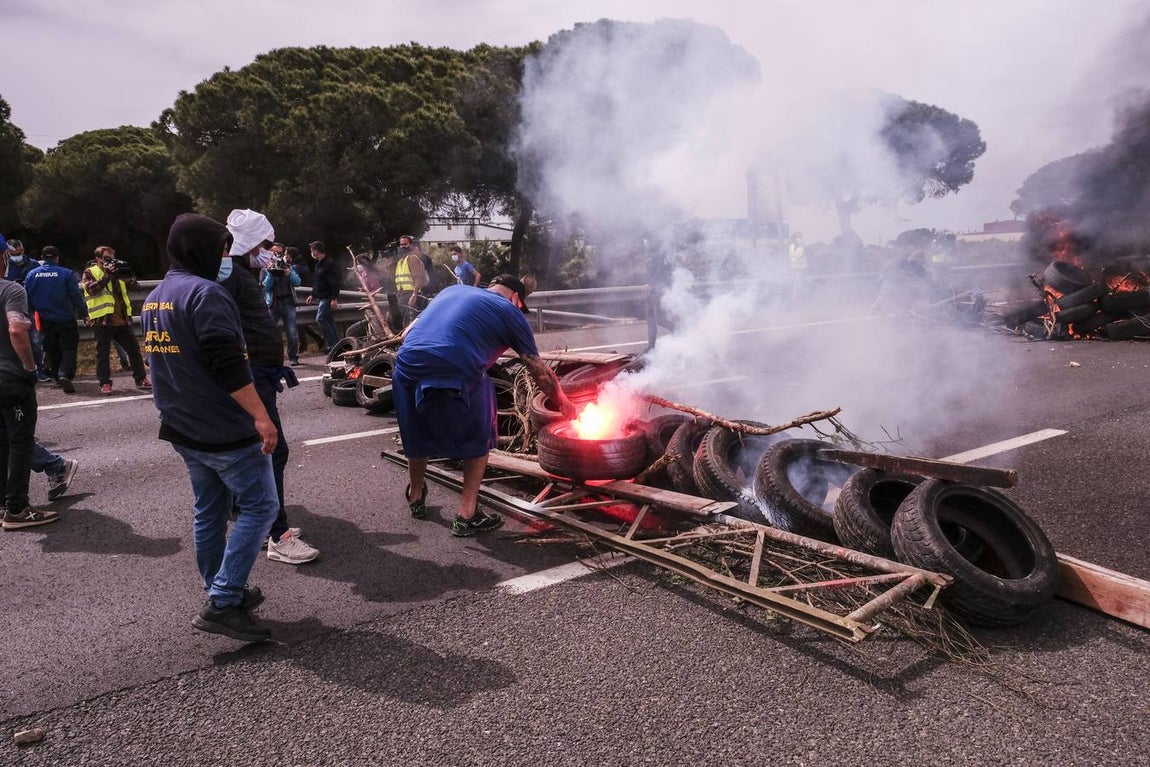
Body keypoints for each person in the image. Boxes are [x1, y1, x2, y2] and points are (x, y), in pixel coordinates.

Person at [142, 212, 279, 642]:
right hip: (222, 428)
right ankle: (223, 601)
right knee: (261, 507)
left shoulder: (156, 296)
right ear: (200, 249)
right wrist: (261, 416)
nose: (226, 258)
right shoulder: (207, 294)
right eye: (222, 249)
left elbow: (158, 364)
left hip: (183, 426)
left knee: (211, 511)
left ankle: (220, 588)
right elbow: (228, 363)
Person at [393, 274, 577, 536]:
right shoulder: (509, 311)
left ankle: (415, 494)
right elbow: (540, 373)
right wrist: (565, 405)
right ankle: (467, 515)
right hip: (455, 370)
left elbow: (407, 333)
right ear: (516, 298)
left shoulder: (451, 291)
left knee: (417, 431)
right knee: (481, 426)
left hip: (407, 366)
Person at [225, 209, 318, 565]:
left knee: (253, 450)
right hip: (252, 375)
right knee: (272, 450)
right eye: (265, 245)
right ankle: (277, 534)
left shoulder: (241, 272)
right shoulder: (233, 276)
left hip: (258, 373)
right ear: (251, 242)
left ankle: (254, 513)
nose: (268, 252)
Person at [0, 233, 57, 530]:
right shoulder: (11, 289)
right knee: (20, 443)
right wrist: (31, 367)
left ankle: (3, 504)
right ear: (3, 257)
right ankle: (17, 509)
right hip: (10, 379)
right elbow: (17, 330)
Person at [82, 245, 150, 395]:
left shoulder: (118, 271)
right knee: (102, 354)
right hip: (102, 320)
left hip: (122, 320)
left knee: (134, 350)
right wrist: (107, 276)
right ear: (98, 259)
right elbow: (91, 289)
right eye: (107, 258)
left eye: (112, 258)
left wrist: (126, 275)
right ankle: (105, 383)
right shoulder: (90, 272)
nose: (111, 261)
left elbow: (136, 287)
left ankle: (141, 378)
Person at [24, 246, 88, 393]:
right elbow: (76, 295)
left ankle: (57, 377)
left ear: (42, 258)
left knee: (52, 349)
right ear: (57, 258)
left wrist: (31, 313)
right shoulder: (66, 273)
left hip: (44, 319)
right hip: (66, 318)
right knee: (69, 348)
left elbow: (26, 297)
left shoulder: (32, 275)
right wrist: (84, 313)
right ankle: (65, 374)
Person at [4, 239, 49, 382]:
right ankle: (17, 370)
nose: (16, 256)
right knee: (10, 339)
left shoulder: (33, 264)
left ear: (23, 250)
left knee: (36, 341)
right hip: (9, 306)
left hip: (30, 306)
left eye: (19, 253)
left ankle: (38, 370)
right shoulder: (4, 265)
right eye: (13, 254)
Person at [262, 244, 302, 367]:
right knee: (270, 333)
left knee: (292, 333)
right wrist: (271, 274)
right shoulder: (265, 268)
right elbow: (265, 287)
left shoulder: (288, 266)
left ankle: (293, 357)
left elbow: (297, 283)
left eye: (280, 253)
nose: (277, 255)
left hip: (288, 303)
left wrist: (289, 274)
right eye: (275, 253)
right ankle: (272, 358)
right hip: (273, 304)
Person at [306, 241, 341, 351]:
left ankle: (333, 345)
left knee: (321, 319)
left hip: (328, 297)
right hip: (322, 296)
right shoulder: (318, 264)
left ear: (317, 251)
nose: (311, 253)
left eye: (312, 251)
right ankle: (336, 345)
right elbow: (317, 281)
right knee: (328, 320)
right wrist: (313, 294)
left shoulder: (329, 264)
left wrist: (334, 298)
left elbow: (334, 282)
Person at [394, 235, 429, 323]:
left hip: (411, 294)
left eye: (405, 244)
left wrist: (414, 295)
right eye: (401, 244)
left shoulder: (412, 259)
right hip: (402, 294)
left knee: (412, 321)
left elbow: (418, 278)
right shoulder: (400, 261)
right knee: (403, 321)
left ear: (411, 245)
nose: (402, 246)